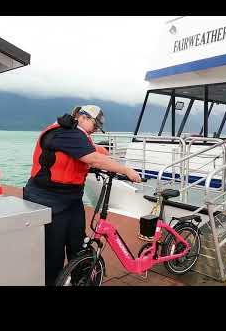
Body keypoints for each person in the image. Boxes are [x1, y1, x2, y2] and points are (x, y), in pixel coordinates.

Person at [23, 105, 141, 286]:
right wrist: (126, 170)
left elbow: (92, 151)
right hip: (49, 200)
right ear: (82, 117)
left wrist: (106, 156)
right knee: (53, 253)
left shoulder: (78, 135)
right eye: (94, 126)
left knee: (78, 245)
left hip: (71, 200)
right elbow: (92, 158)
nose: (94, 131)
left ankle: (79, 280)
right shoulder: (66, 132)